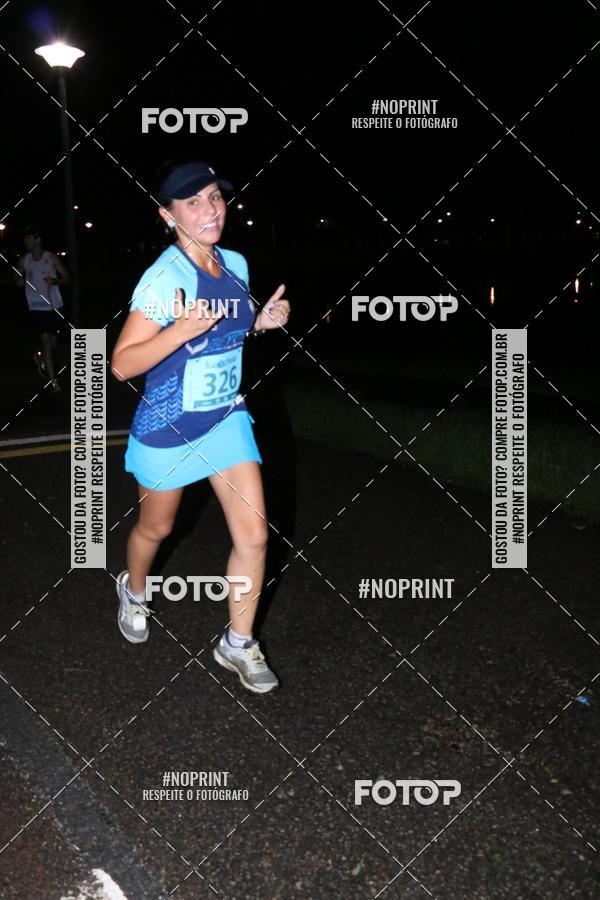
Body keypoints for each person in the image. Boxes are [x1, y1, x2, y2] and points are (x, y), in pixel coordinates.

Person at [111, 159, 290, 694]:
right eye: (194, 202)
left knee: (255, 534)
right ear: (168, 216)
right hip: (168, 427)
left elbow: (223, 333)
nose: (210, 209)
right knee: (157, 529)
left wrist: (259, 323)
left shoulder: (233, 262)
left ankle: (237, 645)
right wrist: (178, 329)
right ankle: (134, 589)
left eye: (215, 197)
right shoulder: (164, 279)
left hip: (225, 419)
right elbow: (121, 364)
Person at [15, 226, 70, 393]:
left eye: (28, 238)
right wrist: (19, 278)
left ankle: (42, 360)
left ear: (37, 240)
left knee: (52, 344)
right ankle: (54, 382)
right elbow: (17, 279)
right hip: (36, 307)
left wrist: (54, 282)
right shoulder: (24, 261)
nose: (26, 242)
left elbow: (66, 278)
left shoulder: (51, 258)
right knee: (46, 341)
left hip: (54, 305)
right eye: (25, 239)